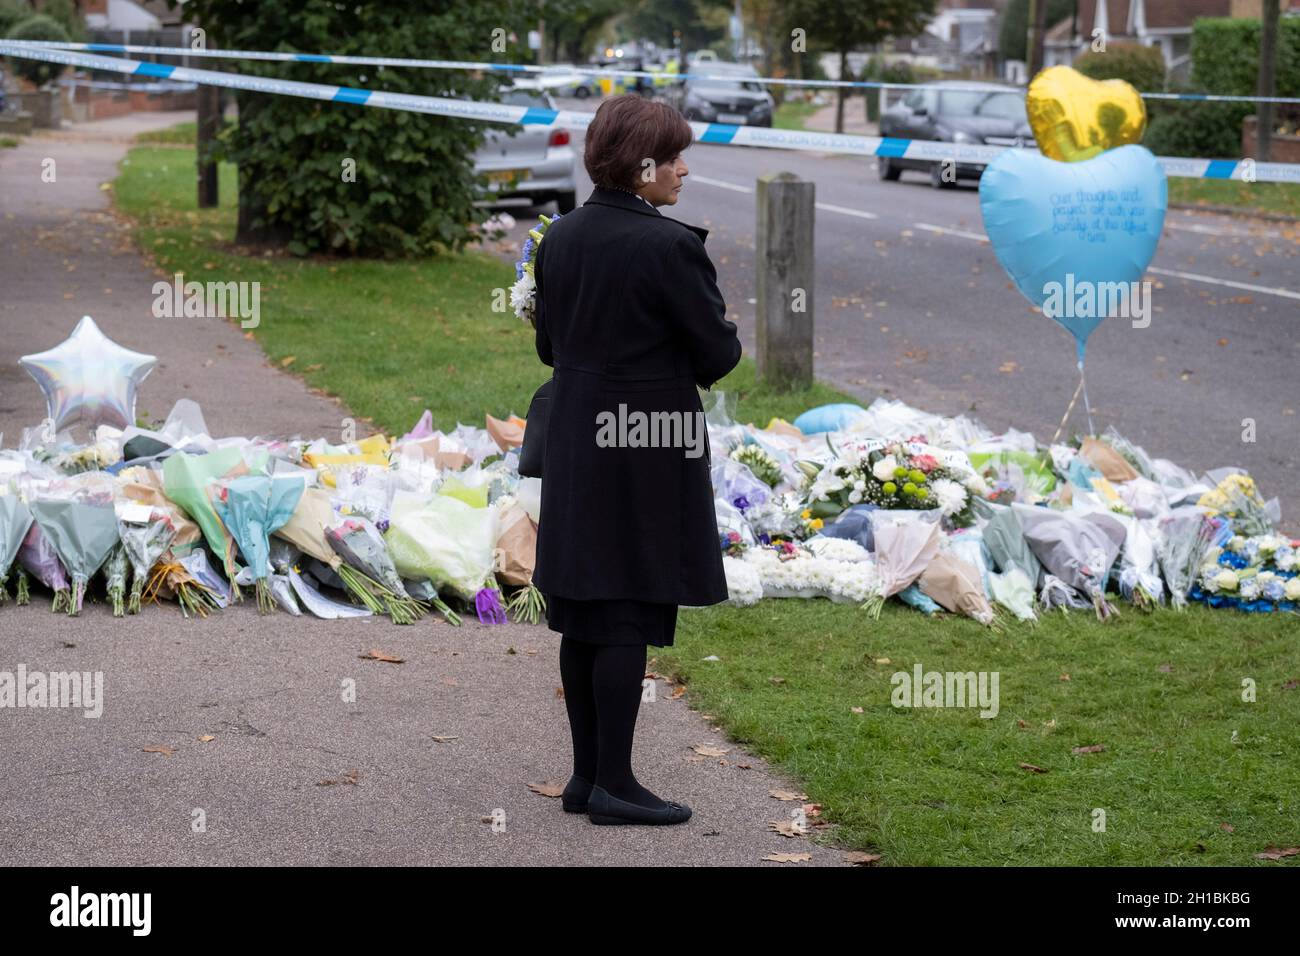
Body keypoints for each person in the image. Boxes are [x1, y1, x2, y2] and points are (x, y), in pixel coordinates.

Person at [530, 94, 742, 826]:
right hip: (645, 440)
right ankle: (616, 784)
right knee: (625, 606)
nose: (684, 169)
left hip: (577, 430)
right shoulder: (670, 245)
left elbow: (550, 346)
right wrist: (721, 326)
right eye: (675, 156)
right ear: (642, 165)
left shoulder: (559, 237)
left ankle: (586, 779)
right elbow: (719, 356)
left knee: (585, 606)